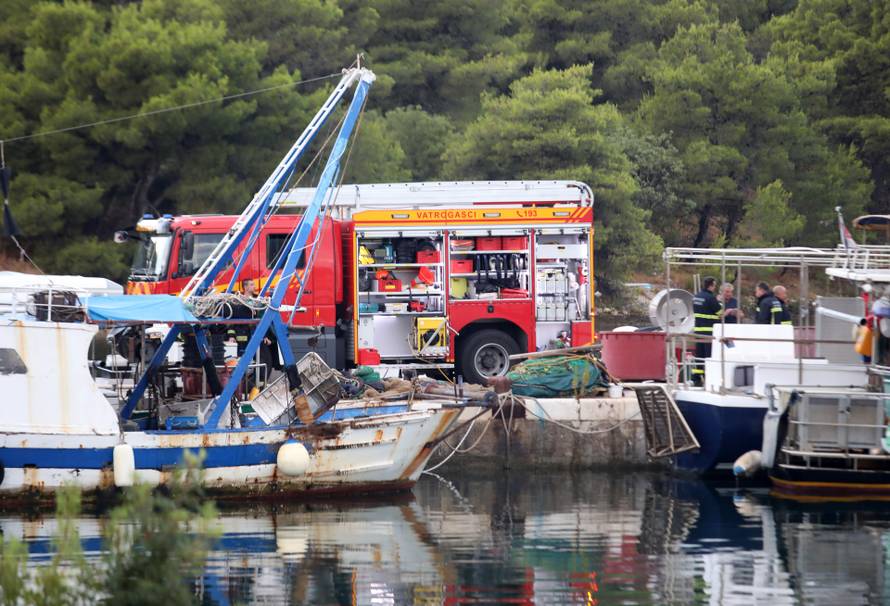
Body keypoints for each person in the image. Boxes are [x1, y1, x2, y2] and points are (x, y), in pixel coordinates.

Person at [692, 276, 721, 385]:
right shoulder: (711, 298)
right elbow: (720, 313)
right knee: (709, 356)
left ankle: (696, 379)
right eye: (714, 285)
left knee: (699, 356)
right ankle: (709, 379)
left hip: (698, 331)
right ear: (711, 285)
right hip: (709, 332)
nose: (715, 287)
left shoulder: (696, 297)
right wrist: (720, 302)